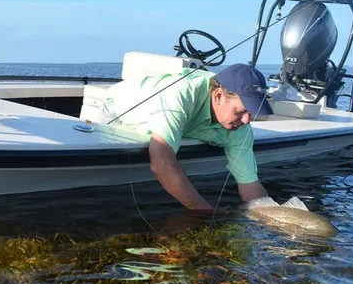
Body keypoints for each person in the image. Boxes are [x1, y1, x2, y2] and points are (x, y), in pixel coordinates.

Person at [96, 63, 274, 210]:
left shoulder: (241, 128)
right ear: (218, 96)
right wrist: (205, 211)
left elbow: (250, 185)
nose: (246, 120)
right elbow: (161, 163)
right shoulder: (180, 95)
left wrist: (274, 222)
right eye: (241, 111)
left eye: (251, 112)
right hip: (120, 107)